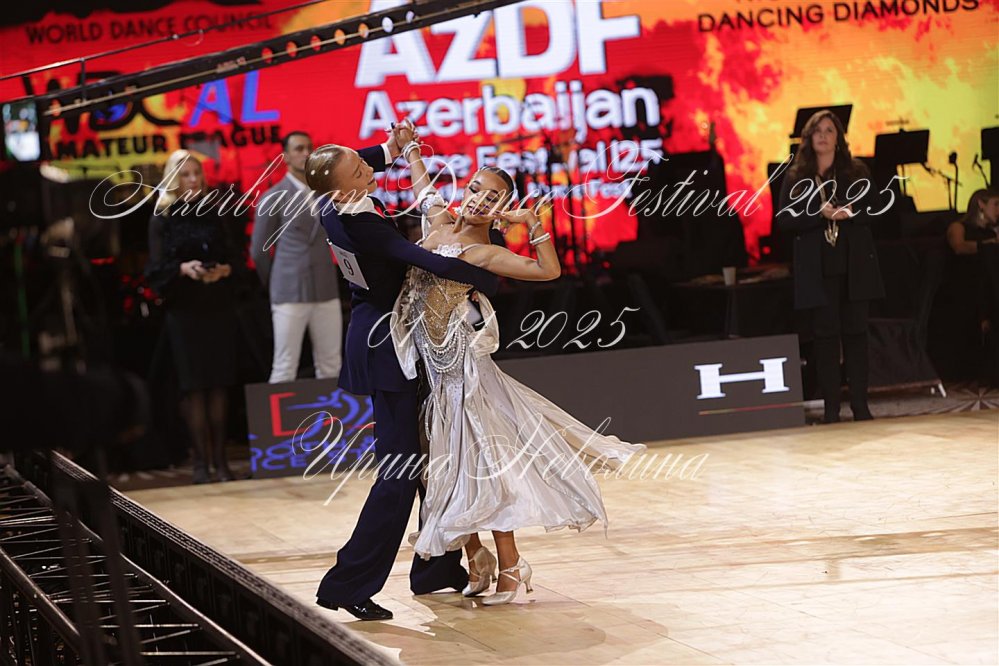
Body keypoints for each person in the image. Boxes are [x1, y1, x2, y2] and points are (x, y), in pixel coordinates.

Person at [393, 137, 645, 605]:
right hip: (430, 372)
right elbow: (424, 187)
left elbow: (548, 272)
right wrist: (409, 150)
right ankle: (477, 557)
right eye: (475, 189)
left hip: (466, 376)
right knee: (438, 470)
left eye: (493, 198)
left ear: (500, 211)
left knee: (478, 469)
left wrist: (533, 224)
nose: (479, 200)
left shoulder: (486, 251)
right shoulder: (437, 223)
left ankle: (511, 566)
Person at [310, 123, 502, 621]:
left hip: (381, 336)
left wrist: (390, 148)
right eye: (360, 169)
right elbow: (427, 260)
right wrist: (492, 274)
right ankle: (348, 583)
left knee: (430, 454)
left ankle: (435, 569)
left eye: (363, 161)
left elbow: (346, 166)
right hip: (387, 349)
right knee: (399, 474)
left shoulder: (330, 202)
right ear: (344, 188)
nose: (369, 167)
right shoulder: (364, 227)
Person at [776, 110, 885, 423]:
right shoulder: (797, 176)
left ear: (838, 138)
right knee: (825, 338)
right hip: (818, 268)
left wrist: (850, 212)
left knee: (856, 334)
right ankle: (831, 410)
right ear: (808, 138)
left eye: (829, 130)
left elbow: (877, 210)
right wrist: (818, 214)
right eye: (817, 131)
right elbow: (784, 220)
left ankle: (861, 406)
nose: (823, 136)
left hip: (854, 265)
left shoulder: (856, 170)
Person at [146, 149, 244, 483]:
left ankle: (221, 461)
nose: (192, 180)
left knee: (219, 383)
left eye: (196, 174)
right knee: (193, 387)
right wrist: (182, 269)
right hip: (184, 309)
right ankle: (201, 462)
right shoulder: (162, 218)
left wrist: (224, 270)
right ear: (174, 178)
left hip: (217, 305)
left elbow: (235, 257)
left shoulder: (216, 212)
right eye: (185, 174)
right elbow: (155, 270)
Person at [251, 131, 343, 383]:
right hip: (289, 290)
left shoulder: (326, 194)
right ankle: (278, 411)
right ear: (285, 156)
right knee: (285, 365)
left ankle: (332, 409)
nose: (305, 153)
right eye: (299, 149)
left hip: (325, 287)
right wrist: (275, 281)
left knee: (331, 364)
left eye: (309, 148)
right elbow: (258, 251)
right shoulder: (273, 196)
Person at [945, 189, 999, 384]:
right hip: (963, 287)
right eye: (996, 204)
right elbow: (959, 247)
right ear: (981, 204)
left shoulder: (991, 232)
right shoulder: (959, 226)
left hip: (987, 286)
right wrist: (990, 244)